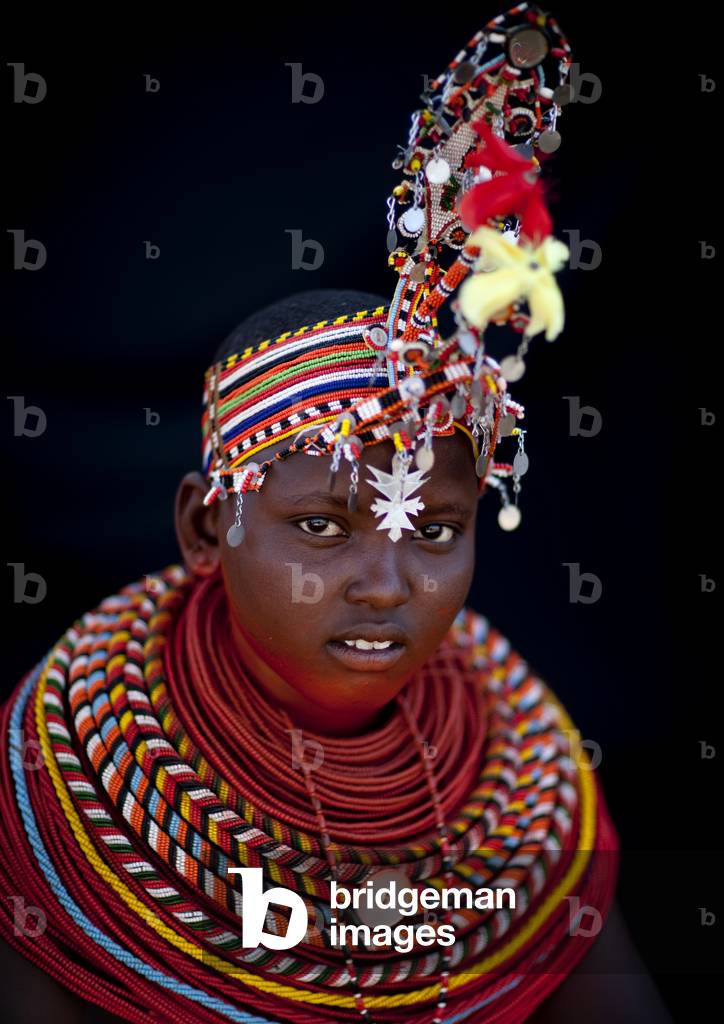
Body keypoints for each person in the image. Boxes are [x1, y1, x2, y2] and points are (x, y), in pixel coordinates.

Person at [1, 7, 674, 1021]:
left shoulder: (531, 779)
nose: (386, 582)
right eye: (321, 525)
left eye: (436, 531)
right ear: (202, 529)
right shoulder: (62, 770)